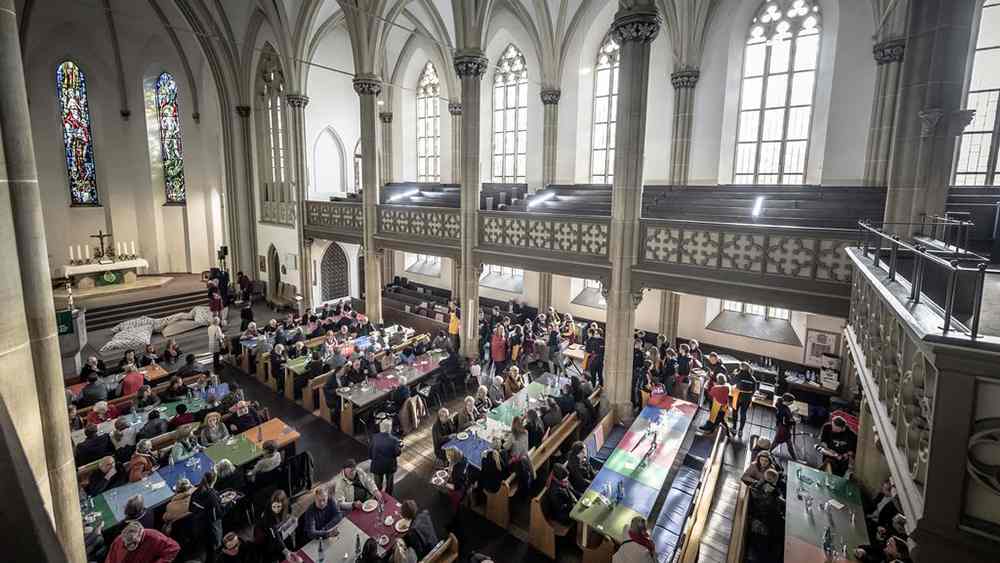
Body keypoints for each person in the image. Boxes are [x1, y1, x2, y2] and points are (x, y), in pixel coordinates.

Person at [746, 468, 785, 562]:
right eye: (773, 484)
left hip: (766, 520)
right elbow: (769, 508)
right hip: (761, 525)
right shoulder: (765, 494)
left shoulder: (759, 487)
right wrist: (776, 496)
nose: (774, 486)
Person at [255, 490, 299, 563]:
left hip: (280, 529)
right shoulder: (268, 513)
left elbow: (289, 514)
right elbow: (274, 534)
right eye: (274, 506)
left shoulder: (287, 504)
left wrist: (291, 520)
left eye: (278, 506)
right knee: (276, 548)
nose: (276, 509)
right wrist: (285, 551)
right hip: (267, 533)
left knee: (289, 544)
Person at [104, 521, 180, 563]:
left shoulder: (154, 536)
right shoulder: (119, 539)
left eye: (133, 543)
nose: (128, 546)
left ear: (140, 535)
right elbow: (110, 557)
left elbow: (174, 548)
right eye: (126, 543)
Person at [370, 419, 403, 494]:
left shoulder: (374, 438)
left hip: (377, 465)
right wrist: (400, 447)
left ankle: (378, 497)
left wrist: (373, 458)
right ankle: (389, 497)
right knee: (389, 484)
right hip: (390, 466)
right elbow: (398, 453)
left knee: (377, 485)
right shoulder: (394, 440)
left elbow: (370, 452)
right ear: (389, 428)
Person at [729, 362, 758, 438]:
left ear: (741, 368)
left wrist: (734, 374)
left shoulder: (740, 375)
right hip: (747, 397)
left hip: (738, 396)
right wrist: (748, 396)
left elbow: (731, 383)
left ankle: (734, 428)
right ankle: (741, 430)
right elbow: (754, 391)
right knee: (743, 413)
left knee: (735, 411)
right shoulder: (753, 379)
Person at [769, 393, 798, 461]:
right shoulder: (784, 410)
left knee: (786, 443)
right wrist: (795, 422)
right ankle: (768, 452)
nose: (792, 403)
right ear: (787, 401)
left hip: (780, 427)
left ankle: (795, 458)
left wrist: (791, 413)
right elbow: (786, 422)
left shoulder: (780, 406)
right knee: (777, 442)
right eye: (791, 402)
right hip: (783, 429)